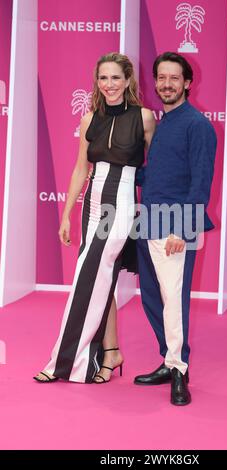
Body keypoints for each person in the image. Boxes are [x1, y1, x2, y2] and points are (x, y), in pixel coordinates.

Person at [34, 52, 155, 384]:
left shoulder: (144, 118)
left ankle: (65, 360)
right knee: (103, 278)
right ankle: (111, 352)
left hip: (122, 204)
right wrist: (66, 214)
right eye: (103, 78)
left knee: (89, 277)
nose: (109, 84)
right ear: (96, 82)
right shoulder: (90, 119)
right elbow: (79, 169)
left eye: (116, 77)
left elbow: (156, 169)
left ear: (128, 81)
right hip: (92, 202)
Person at [134, 52, 217, 405]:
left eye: (174, 78)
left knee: (174, 303)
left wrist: (182, 230)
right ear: (156, 82)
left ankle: (179, 371)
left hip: (174, 230)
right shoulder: (163, 121)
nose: (167, 84)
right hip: (147, 222)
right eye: (162, 78)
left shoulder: (198, 125)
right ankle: (168, 361)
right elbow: (155, 175)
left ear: (187, 82)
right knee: (153, 298)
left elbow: (200, 184)